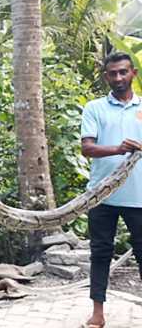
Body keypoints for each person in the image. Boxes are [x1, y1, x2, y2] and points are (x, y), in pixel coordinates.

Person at [81, 52, 142, 328]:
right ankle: (98, 314)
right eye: (112, 73)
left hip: (139, 196)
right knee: (101, 253)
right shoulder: (94, 108)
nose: (118, 78)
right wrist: (118, 148)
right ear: (106, 76)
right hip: (101, 195)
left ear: (134, 74)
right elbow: (87, 148)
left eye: (123, 72)